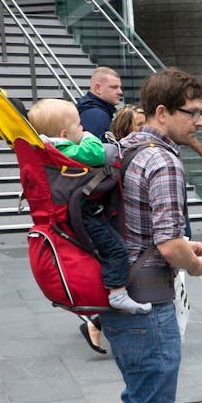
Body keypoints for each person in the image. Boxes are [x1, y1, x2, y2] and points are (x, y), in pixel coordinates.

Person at [107, 67, 202, 403]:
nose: (200, 124)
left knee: (141, 400)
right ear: (163, 112)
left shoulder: (127, 148)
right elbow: (169, 245)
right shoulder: (164, 162)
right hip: (147, 296)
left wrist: (183, 249)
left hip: (120, 291)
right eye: (193, 114)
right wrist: (196, 264)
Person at [27, 98, 152, 315]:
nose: (83, 129)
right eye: (79, 125)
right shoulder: (65, 149)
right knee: (115, 249)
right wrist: (88, 137)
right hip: (82, 214)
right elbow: (96, 153)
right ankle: (117, 293)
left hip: (73, 211)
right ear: (64, 134)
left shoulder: (44, 148)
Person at [77, 67, 125, 139]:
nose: (120, 92)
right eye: (114, 87)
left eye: (120, 87)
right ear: (98, 88)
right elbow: (97, 149)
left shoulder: (92, 110)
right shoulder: (95, 115)